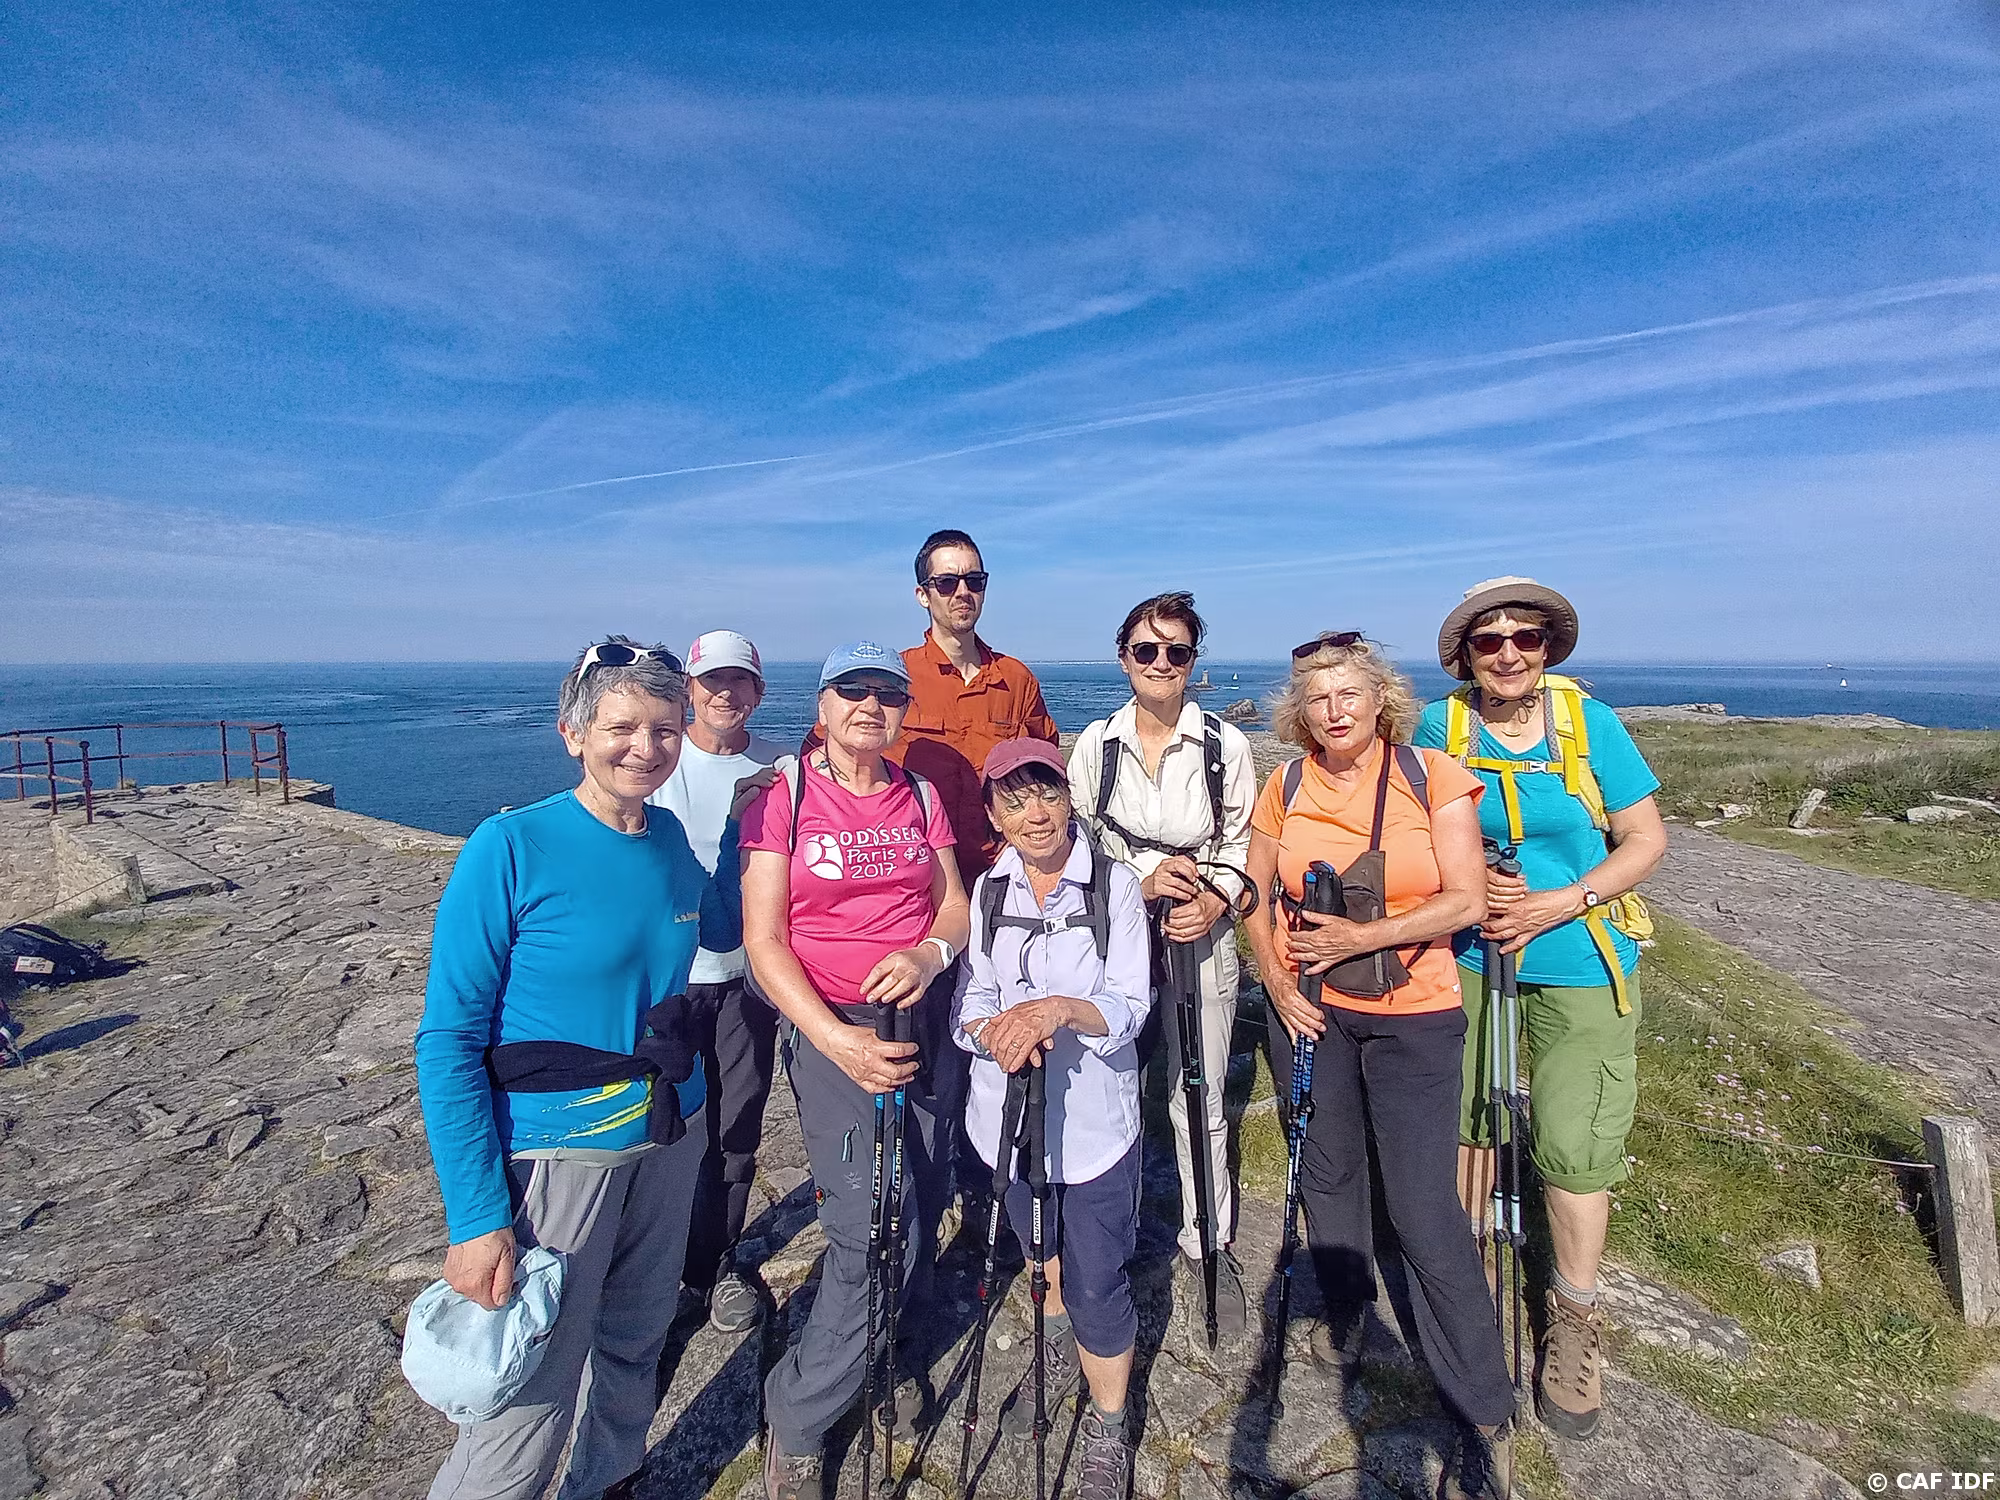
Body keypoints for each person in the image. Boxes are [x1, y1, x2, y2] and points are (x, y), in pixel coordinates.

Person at [416, 636, 759, 1500]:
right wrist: (476, 1218)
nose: (645, 747)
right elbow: (448, 1041)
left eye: (664, 730)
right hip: (559, 1151)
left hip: (669, 1131)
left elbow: (719, 930)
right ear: (573, 733)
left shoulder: (668, 835)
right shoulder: (510, 846)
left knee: (637, 1343)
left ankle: (609, 1481)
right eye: (622, 728)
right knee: (530, 1390)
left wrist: (740, 832)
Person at [1242, 632, 1515, 1500]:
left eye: (1349, 694)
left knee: (1424, 1204)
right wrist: (1277, 982)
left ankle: (1482, 1409)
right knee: (1328, 1174)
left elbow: (1466, 898)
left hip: (1414, 1016)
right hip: (1311, 1011)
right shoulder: (1285, 785)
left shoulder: (1434, 777)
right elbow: (1254, 895)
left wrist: (1364, 937)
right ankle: (1350, 1311)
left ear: (1380, 699)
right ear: (1299, 712)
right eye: (1318, 698)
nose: (1334, 711)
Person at [1414, 578, 1668, 1443]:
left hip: (1580, 954)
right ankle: (1470, 1282)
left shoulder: (1589, 724)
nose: (1509, 653)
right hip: (1470, 951)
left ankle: (1574, 1316)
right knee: (1468, 1120)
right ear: (1466, 656)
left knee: (1574, 1139)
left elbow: (1645, 838)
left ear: (1549, 645)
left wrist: (1562, 901)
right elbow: (1419, 830)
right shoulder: (1440, 728)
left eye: (1525, 636)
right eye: (1489, 641)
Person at [742, 642, 971, 1500]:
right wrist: (836, 1042)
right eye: (852, 690)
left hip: (921, 1023)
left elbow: (953, 903)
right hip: (835, 1029)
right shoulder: (785, 797)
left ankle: (886, 1353)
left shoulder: (919, 794)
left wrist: (929, 952)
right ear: (823, 706)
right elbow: (765, 941)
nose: (871, 705)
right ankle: (801, 1414)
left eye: (887, 693)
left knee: (924, 1193)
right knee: (870, 1224)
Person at [954, 739, 1151, 1500]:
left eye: (1046, 794)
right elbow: (973, 999)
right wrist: (993, 1034)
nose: (1034, 814)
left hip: (1095, 1125)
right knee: (1043, 1256)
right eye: (1014, 800)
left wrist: (1060, 1010)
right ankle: (1065, 1337)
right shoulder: (988, 890)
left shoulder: (1114, 886)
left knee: (1099, 1282)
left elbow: (1131, 1004)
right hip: (1006, 1121)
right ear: (994, 814)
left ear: (1070, 799)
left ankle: (1109, 1424)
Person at [1067, 592, 1257, 1335]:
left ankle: (1210, 1240)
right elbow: (1078, 844)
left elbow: (1242, 842)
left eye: (1176, 651)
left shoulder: (1224, 747)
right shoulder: (1097, 745)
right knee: (1107, 1086)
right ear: (1125, 658)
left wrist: (1215, 900)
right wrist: (1139, 886)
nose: (1161, 663)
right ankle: (1103, 1244)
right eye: (1146, 650)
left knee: (1196, 1091)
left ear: (1192, 661)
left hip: (1199, 933)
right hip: (1116, 939)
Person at [897, 528, 1059, 1230]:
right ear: (922, 593)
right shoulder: (896, 677)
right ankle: (930, 1200)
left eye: (975, 580)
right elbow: (837, 759)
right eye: (948, 581)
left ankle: (994, 1195)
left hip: (1002, 894)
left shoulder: (1015, 679)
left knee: (996, 1039)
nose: (963, 592)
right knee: (931, 1055)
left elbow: (1045, 773)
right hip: (921, 900)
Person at [647, 629, 791, 1334]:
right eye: (712, 681)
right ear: (689, 690)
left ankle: (715, 1262)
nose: (724, 694)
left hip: (746, 982)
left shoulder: (782, 768)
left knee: (737, 1122)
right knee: (664, 1123)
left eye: (739, 681)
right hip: (670, 980)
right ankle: (657, 1263)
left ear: (758, 692)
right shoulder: (657, 762)